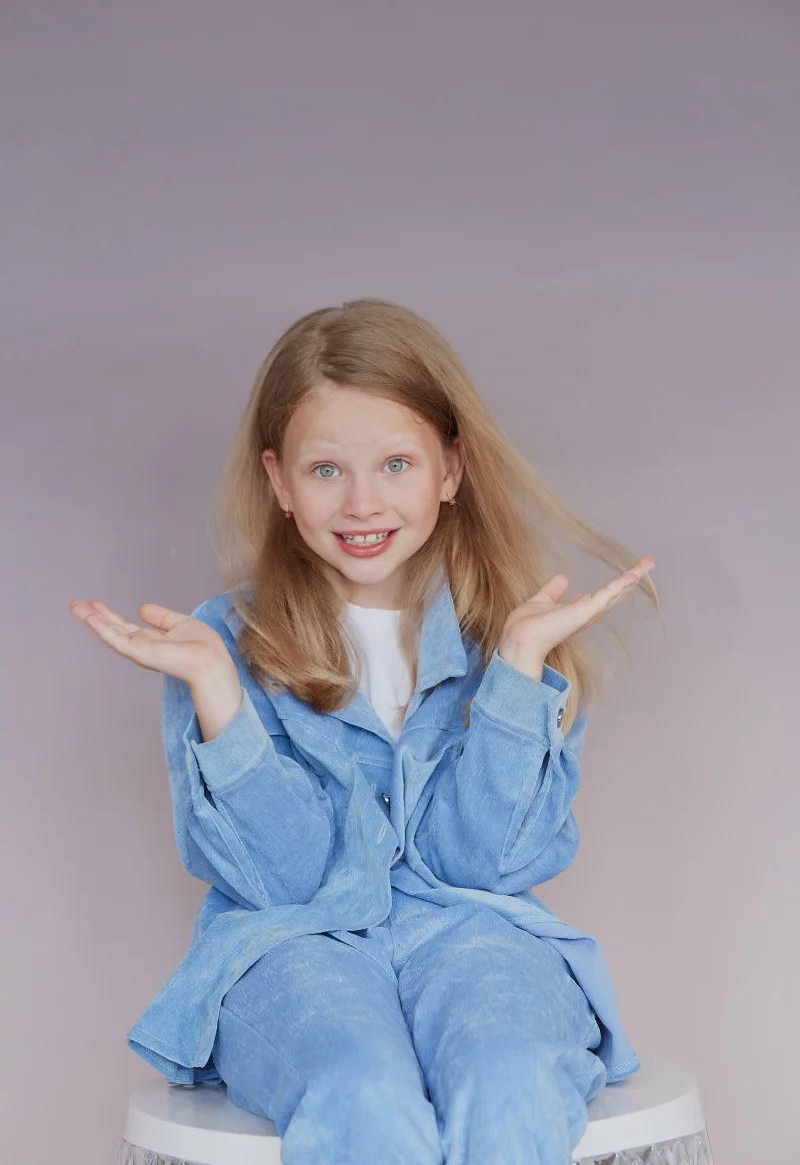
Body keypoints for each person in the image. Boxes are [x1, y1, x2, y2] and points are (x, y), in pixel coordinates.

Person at [69, 298, 658, 1164]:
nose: (361, 502)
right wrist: (218, 694)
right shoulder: (222, 643)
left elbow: (482, 866)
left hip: (472, 934)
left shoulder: (512, 637)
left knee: (509, 1075)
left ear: (450, 470)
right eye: (325, 470)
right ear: (279, 483)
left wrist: (517, 673)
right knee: (359, 1088)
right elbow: (286, 881)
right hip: (294, 945)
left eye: (395, 463)